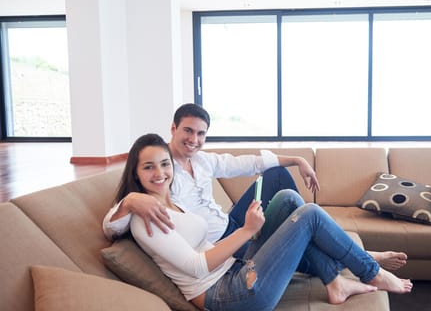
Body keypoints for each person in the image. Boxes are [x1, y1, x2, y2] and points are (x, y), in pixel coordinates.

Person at [106, 133, 412, 311]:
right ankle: (371, 270)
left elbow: (247, 165)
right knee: (310, 215)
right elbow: (197, 268)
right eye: (148, 167)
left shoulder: (172, 201)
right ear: (134, 171)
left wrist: (259, 233)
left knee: (291, 200)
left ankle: (337, 280)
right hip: (230, 296)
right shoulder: (144, 216)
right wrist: (248, 231)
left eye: (163, 164)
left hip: (234, 270)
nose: (160, 172)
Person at [103, 103, 407, 270]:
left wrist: (297, 160)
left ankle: (333, 243)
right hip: (223, 243)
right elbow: (111, 227)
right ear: (173, 128)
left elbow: (247, 162)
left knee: (275, 177)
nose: (194, 140)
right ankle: (357, 257)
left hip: (231, 223)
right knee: (298, 226)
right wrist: (130, 201)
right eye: (187, 131)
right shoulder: (160, 172)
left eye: (201, 134)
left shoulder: (203, 161)